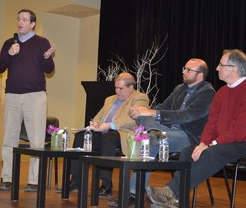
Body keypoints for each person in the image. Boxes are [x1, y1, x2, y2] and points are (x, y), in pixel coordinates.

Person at [108, 58, 216, 207]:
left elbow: (187, 115)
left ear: (200, 74)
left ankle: (133, 193)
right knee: (142, 119)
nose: (183, 72)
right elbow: (163, 106)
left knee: (148, 139)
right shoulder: (180, 88)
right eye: (184, 68)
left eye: (188, 70)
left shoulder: (207, 93)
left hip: (187, 136)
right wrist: (141, 112)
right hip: (167, 130)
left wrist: (153, 113)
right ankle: (154, 134)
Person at [147, 49, 246, 208]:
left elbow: (241, 130)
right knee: (188, 152)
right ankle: (175, 201)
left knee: (212, 151)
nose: (217, 68)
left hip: (241, 143)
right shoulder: (221, 93)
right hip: (221, 142)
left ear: (234, 69)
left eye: (221, 64)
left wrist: (212, 143)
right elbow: (212, 123)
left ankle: (170, 191)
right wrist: (203, 142)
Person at [0, 8, 55, 192]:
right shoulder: (9, 43)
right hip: (12, 95)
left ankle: (34, 181)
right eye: (18, 19)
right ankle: (7, 178)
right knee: (9, 139)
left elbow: (49, 69)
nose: (20, 22)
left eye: (24, 19)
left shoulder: (41, 42)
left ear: (32, 23)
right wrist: (9, 54)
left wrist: (47, 58)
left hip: (35, 96)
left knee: (36, 140)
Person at [65, 72, 149, 197]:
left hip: (123, 134)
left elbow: (135, 119)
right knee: (80, 136)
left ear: (131, 87)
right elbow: (99, 116)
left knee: (108, 138)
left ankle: (106, 184)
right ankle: (76, 180)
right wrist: (95, 124)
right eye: (116, 88)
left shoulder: (140, 98)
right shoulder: (109, 99)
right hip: (103, 131)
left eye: (121, 88)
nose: (117, 91)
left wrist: (111, 125)